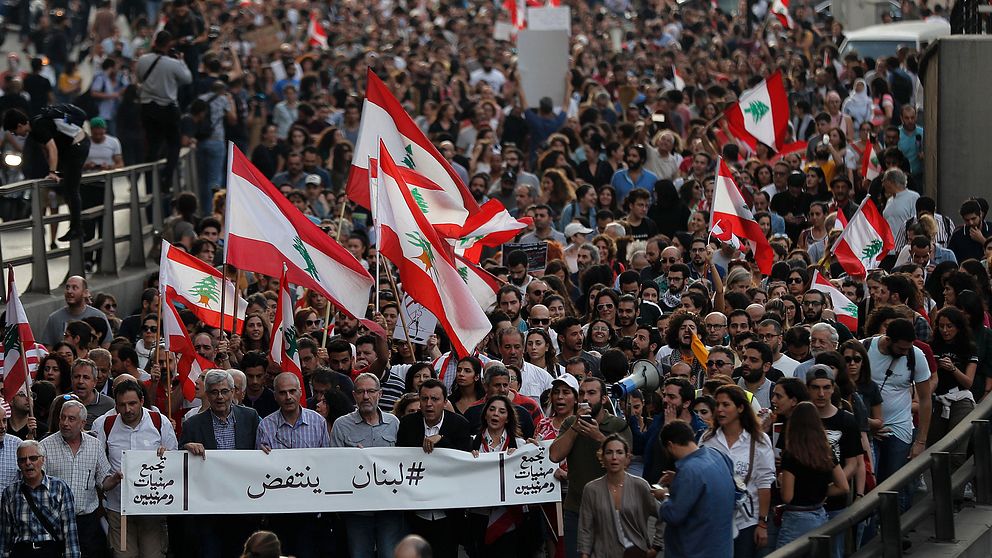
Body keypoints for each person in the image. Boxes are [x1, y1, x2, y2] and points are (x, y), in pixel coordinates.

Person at [179, 370, 262, 558]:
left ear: (233, 392)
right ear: (207, 394)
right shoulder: (192, 424)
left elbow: (262, 445)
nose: (220, 397)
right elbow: (179, 462)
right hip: (209, 510)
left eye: (225, 391)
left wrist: (265, 446)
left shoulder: (250, 417)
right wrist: (186, 447)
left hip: (243, 505)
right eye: (214, 392)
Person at [93, 379, 177, 558]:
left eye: (132, 404)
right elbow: (98, 465)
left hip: (152, 509)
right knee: (123, 555)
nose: (127, 410)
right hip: (119, 509)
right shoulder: (105, 425)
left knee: (153, 555)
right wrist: (110, 480)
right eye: (122, 405)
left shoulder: (159, 422)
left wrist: (167, 455)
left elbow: (176, 462)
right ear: (116, 405)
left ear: (142, 401)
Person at [550, 377, 632, 558]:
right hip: (576, 510)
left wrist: (599, 437)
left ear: (604, 399)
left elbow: (625, 463)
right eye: (581, 394)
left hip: (611, 510)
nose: (585, 398)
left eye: (591, 393)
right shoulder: (570, 423)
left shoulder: (618, 425)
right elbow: (555, 455)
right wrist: (576, 426)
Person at [330, 373, 405, 558]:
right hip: (357, 510)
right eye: (361, 392)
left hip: (389, 507)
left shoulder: (394, 423)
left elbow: (402, 462)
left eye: (371, 391)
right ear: (354, 395)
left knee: (389, 554)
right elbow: (333, 465)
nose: (366, 396)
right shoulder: (342, 425)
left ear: (380, 394)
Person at [396, 379, 471, 558]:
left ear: (445, 402)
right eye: (424, 399)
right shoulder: (408, 424)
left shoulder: (459, 424)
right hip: (416, 510)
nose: (429, 404)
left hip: (448, 512)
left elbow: (464, 463)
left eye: (435, 399)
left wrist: (442, 441)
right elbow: (398, 460)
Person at [700, 385, 775, 558]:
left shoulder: (758, 440)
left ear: (740, 408)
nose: (720, 410)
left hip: (746, 521)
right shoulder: (708, 439)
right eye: (717, 405)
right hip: (714, 520)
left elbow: (764, 483)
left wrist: (762, 524)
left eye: (726, 405)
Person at [40, 399, 120, 558]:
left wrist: (116, 479)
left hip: (86, 523)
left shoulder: (95, 445)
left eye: (71, 419)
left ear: (82, 423)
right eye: (62, 417)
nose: (65, 423)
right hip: (54, 521)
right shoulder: (44, 446)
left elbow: (103, 482)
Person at [3, 105, 89, 242]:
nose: (16, 135)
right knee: (67, 189)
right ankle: (76, 227)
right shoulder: (34, 129)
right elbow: (47, 151)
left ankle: (77, 228)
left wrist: (52, 172)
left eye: (14, 132)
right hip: (71, 148)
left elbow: (52, 148)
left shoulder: (38, 127)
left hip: (78, 145)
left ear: (20, 125)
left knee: (71, 189)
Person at [655, 420, 736, 558]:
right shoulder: (716, 455)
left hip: (695, 550)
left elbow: (674, 514)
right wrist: (678, 480)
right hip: (721, 548)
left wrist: (664, 496)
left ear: (670, 445)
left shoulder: (689, 470)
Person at [775, 402, 850, 549]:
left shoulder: (791, 455)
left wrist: (782, 480)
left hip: (796, 518)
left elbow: (787, 496)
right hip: (820, 514)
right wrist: (820, 491)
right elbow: (843, 487)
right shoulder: (826, 452)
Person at [577, 435, 662, 558]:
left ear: (627, 458)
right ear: (602, 457)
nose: (614, 457)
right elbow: (585, 528)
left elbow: (663, 514)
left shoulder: (640, 486)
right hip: (603, 553)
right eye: (609, 452)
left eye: (619, 452)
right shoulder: (591, 489)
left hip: (636, 552)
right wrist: (585, 555)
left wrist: (656, 547)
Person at [467, 394, 528, 557]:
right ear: (485, 414)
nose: (495, 414)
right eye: (492, 409)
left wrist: (528, 453)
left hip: (509, 516)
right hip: (479, 514)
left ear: (507, 418)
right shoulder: (471, 443)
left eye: (501, 411)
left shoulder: (520, 445)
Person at [0, 440, 80, 558]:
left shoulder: (59, 488)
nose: (28, 463)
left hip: (51, 551)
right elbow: (5, 537)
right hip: (21, 551)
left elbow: (70, 533)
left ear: (43, 460)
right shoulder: (10, 493)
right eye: (22, 460)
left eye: (33, 458)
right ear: (18, 464)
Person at [137, 30, 193, 191]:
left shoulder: (142, 60)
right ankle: (167, 178)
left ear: (154, 42)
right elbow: (187, 79)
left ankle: (149, 184)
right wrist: (181, 61)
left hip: (148, 108)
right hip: (168, 108)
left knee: (152, 145)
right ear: (169, 45)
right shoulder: (173, 64)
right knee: (174, 144)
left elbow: (140, 79)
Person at [40, 277, 112, 348]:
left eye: (74, 288)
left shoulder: (98, 316)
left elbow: (107, 348)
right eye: (67, 287)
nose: (69, 291)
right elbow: (48, 350)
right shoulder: (54, 318)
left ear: (85, 292)